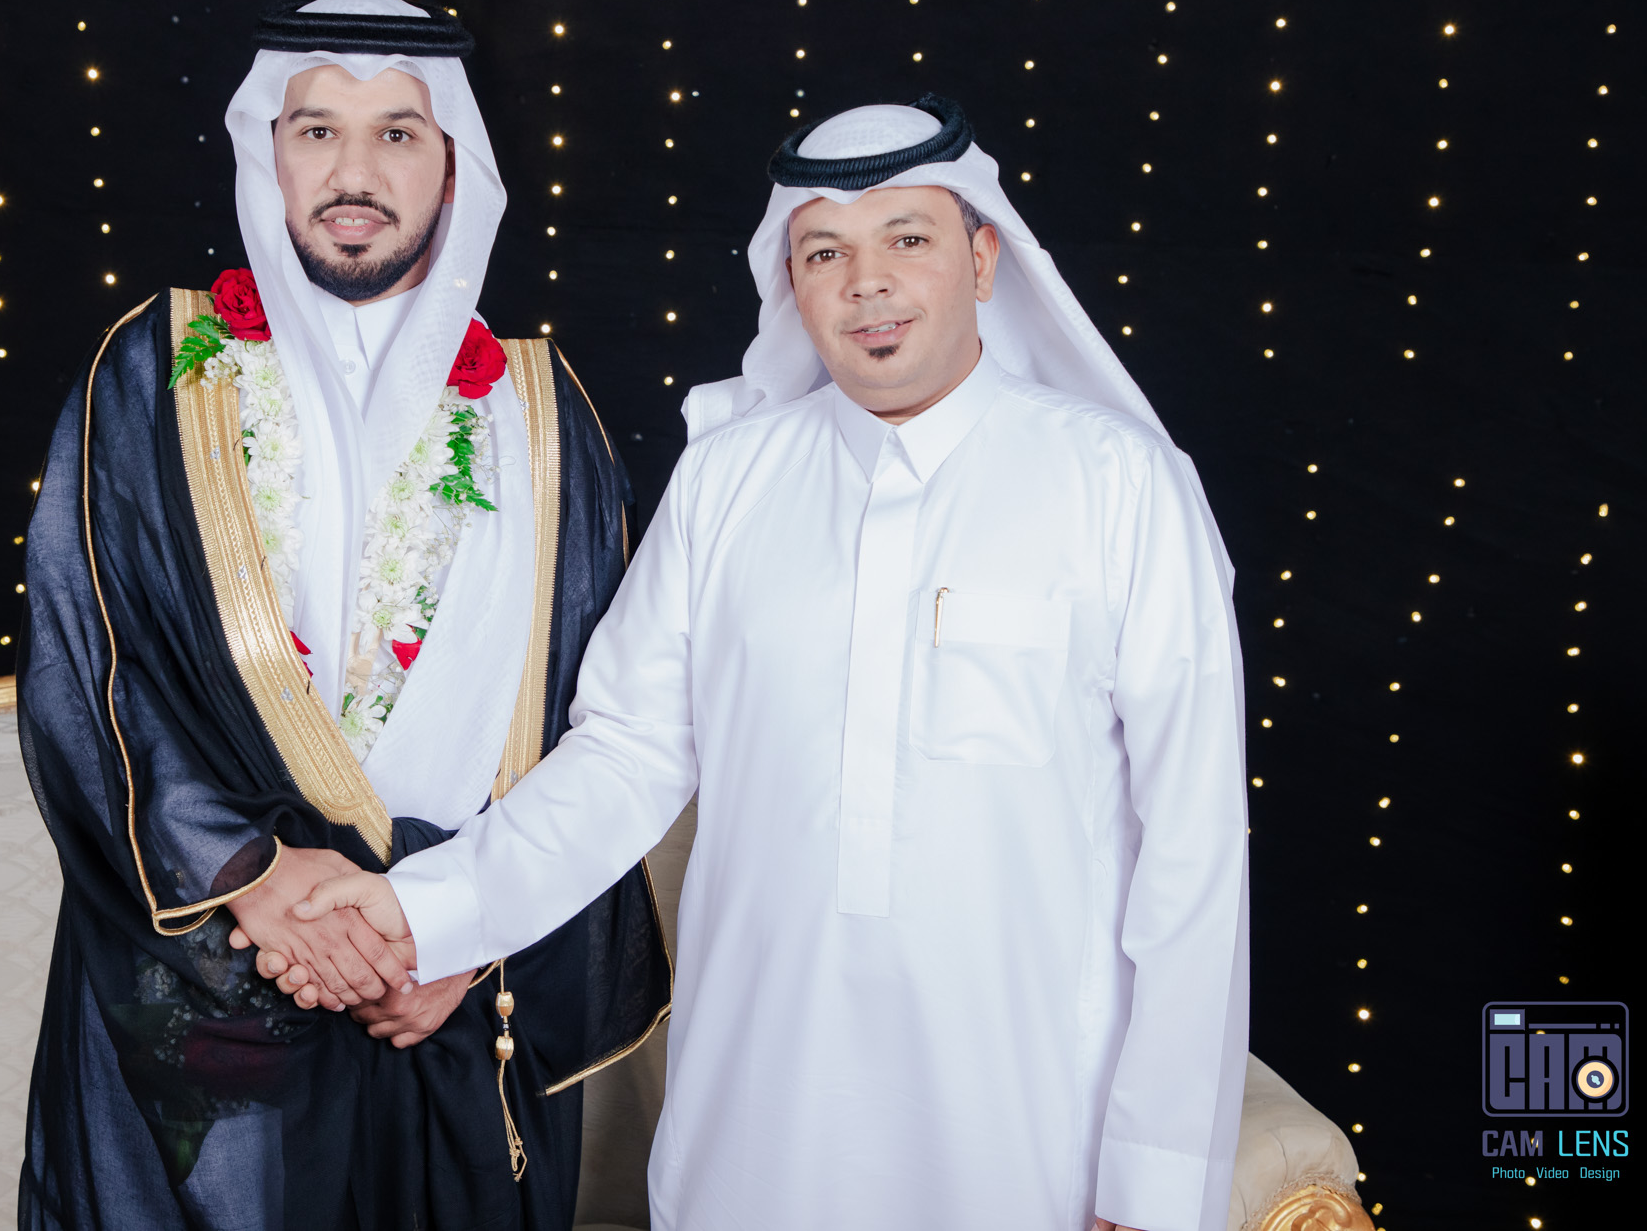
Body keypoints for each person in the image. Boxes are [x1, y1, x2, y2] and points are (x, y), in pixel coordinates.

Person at [285, 96, 1250, 1231]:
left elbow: (1192, 854)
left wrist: (1153, 1179)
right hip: (757, 1114)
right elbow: (628, 755)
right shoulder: (726, 483)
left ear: (984, 259)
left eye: (907, 239)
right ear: (792, 282)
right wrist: (420, 912)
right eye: (824, 252)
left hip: (1027, 1125)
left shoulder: (1121, 486)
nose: (867, 283)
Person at [15, 0, 671, 1231]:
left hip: (450, 991)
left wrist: (460, 932)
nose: (353, 173)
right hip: (214, 971)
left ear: (453, 168)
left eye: (396, 135)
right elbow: (89, 663)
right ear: (266, 149)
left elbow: (601, 721)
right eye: (316, 130)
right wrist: (256, 882)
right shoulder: (155, 371)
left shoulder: (540, 413)